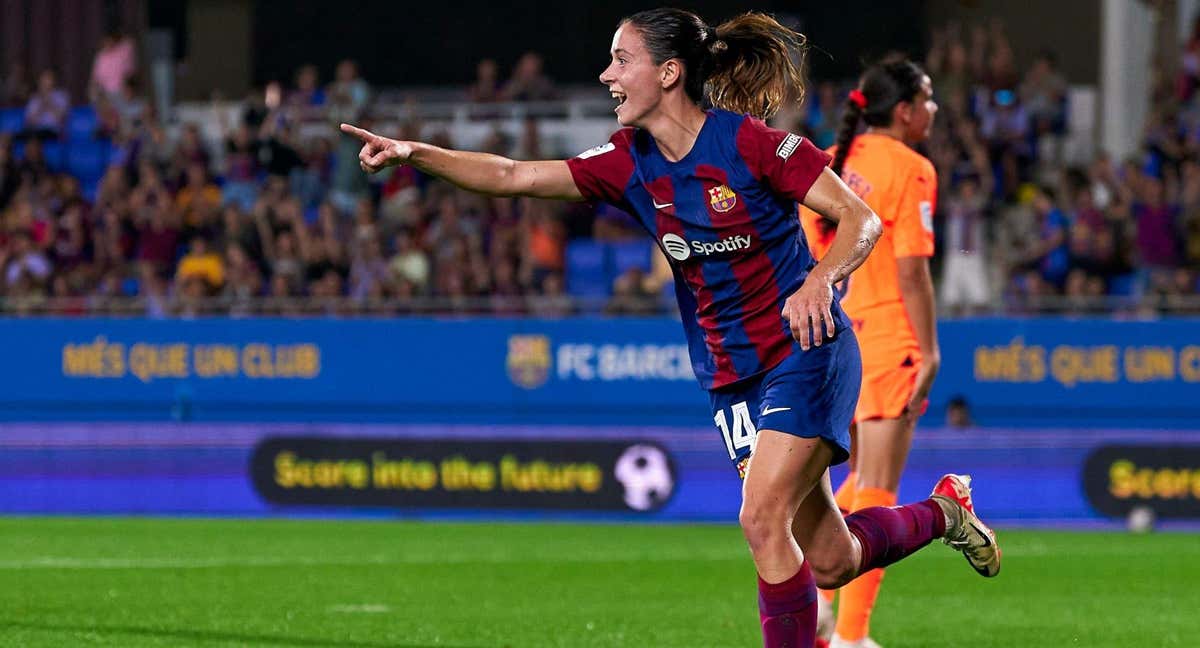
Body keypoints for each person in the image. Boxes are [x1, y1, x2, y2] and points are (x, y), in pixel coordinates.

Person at [341, 10, 999, 647]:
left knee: (761, 519)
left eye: (621, 59)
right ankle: (944, 513)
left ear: (669, 73)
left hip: (807, 348)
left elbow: (860, 220)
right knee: (830, 557)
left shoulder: (751, 144)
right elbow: (514, 176)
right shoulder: (629, 161)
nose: (606, 75)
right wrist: (413, 154)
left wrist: (820, 278)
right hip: (733, 377)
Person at [799, 59, 945, 648]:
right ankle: (852, 636)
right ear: (905, 110)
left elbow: (811, 247)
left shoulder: (829, 159)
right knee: (880, 484)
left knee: (854, 479)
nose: (933, 110)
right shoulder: (910, 168)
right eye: (928, 99)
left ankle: (824, 617)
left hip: (837, 335)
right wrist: (930, 349)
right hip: (887, 336)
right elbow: (912, 271)